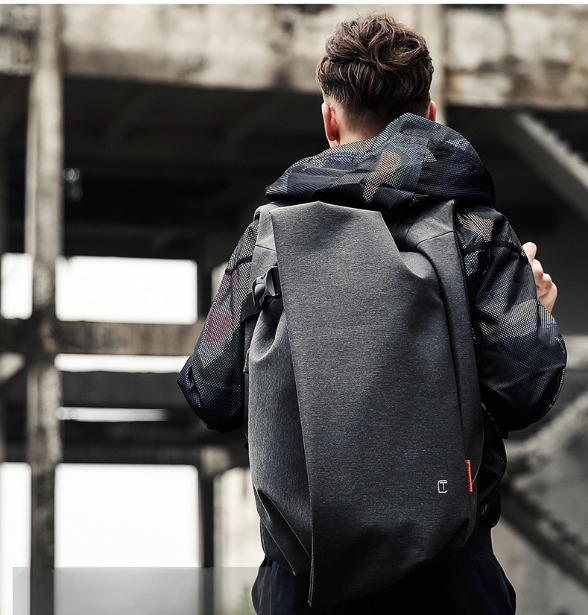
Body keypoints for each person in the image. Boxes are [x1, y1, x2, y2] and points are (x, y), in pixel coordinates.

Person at [178, 14, 566, 615]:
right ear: (427, 115)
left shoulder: (267, 236)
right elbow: (526, 389)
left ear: (329, 121)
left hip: (304, 580)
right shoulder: (476, 230)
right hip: (448, 578)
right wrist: (533, 314)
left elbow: (211, 391)